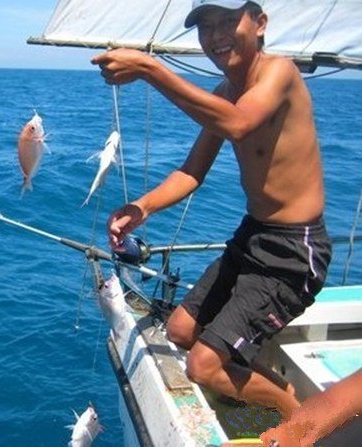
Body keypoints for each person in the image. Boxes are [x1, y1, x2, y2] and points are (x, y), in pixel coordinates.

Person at [91, 0, 332, 419]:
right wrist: (142, 207)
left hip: (295, 250)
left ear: (260, 23)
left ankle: (302, 416)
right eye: (205, 27)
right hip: (253, 234)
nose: (216, 35)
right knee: (181, 329)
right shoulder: (225, 92)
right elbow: (191, 171)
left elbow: (237, 124)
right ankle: (270, 385)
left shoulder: (281, 73)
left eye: (227, 21)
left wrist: (151, 69)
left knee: (202, 366)